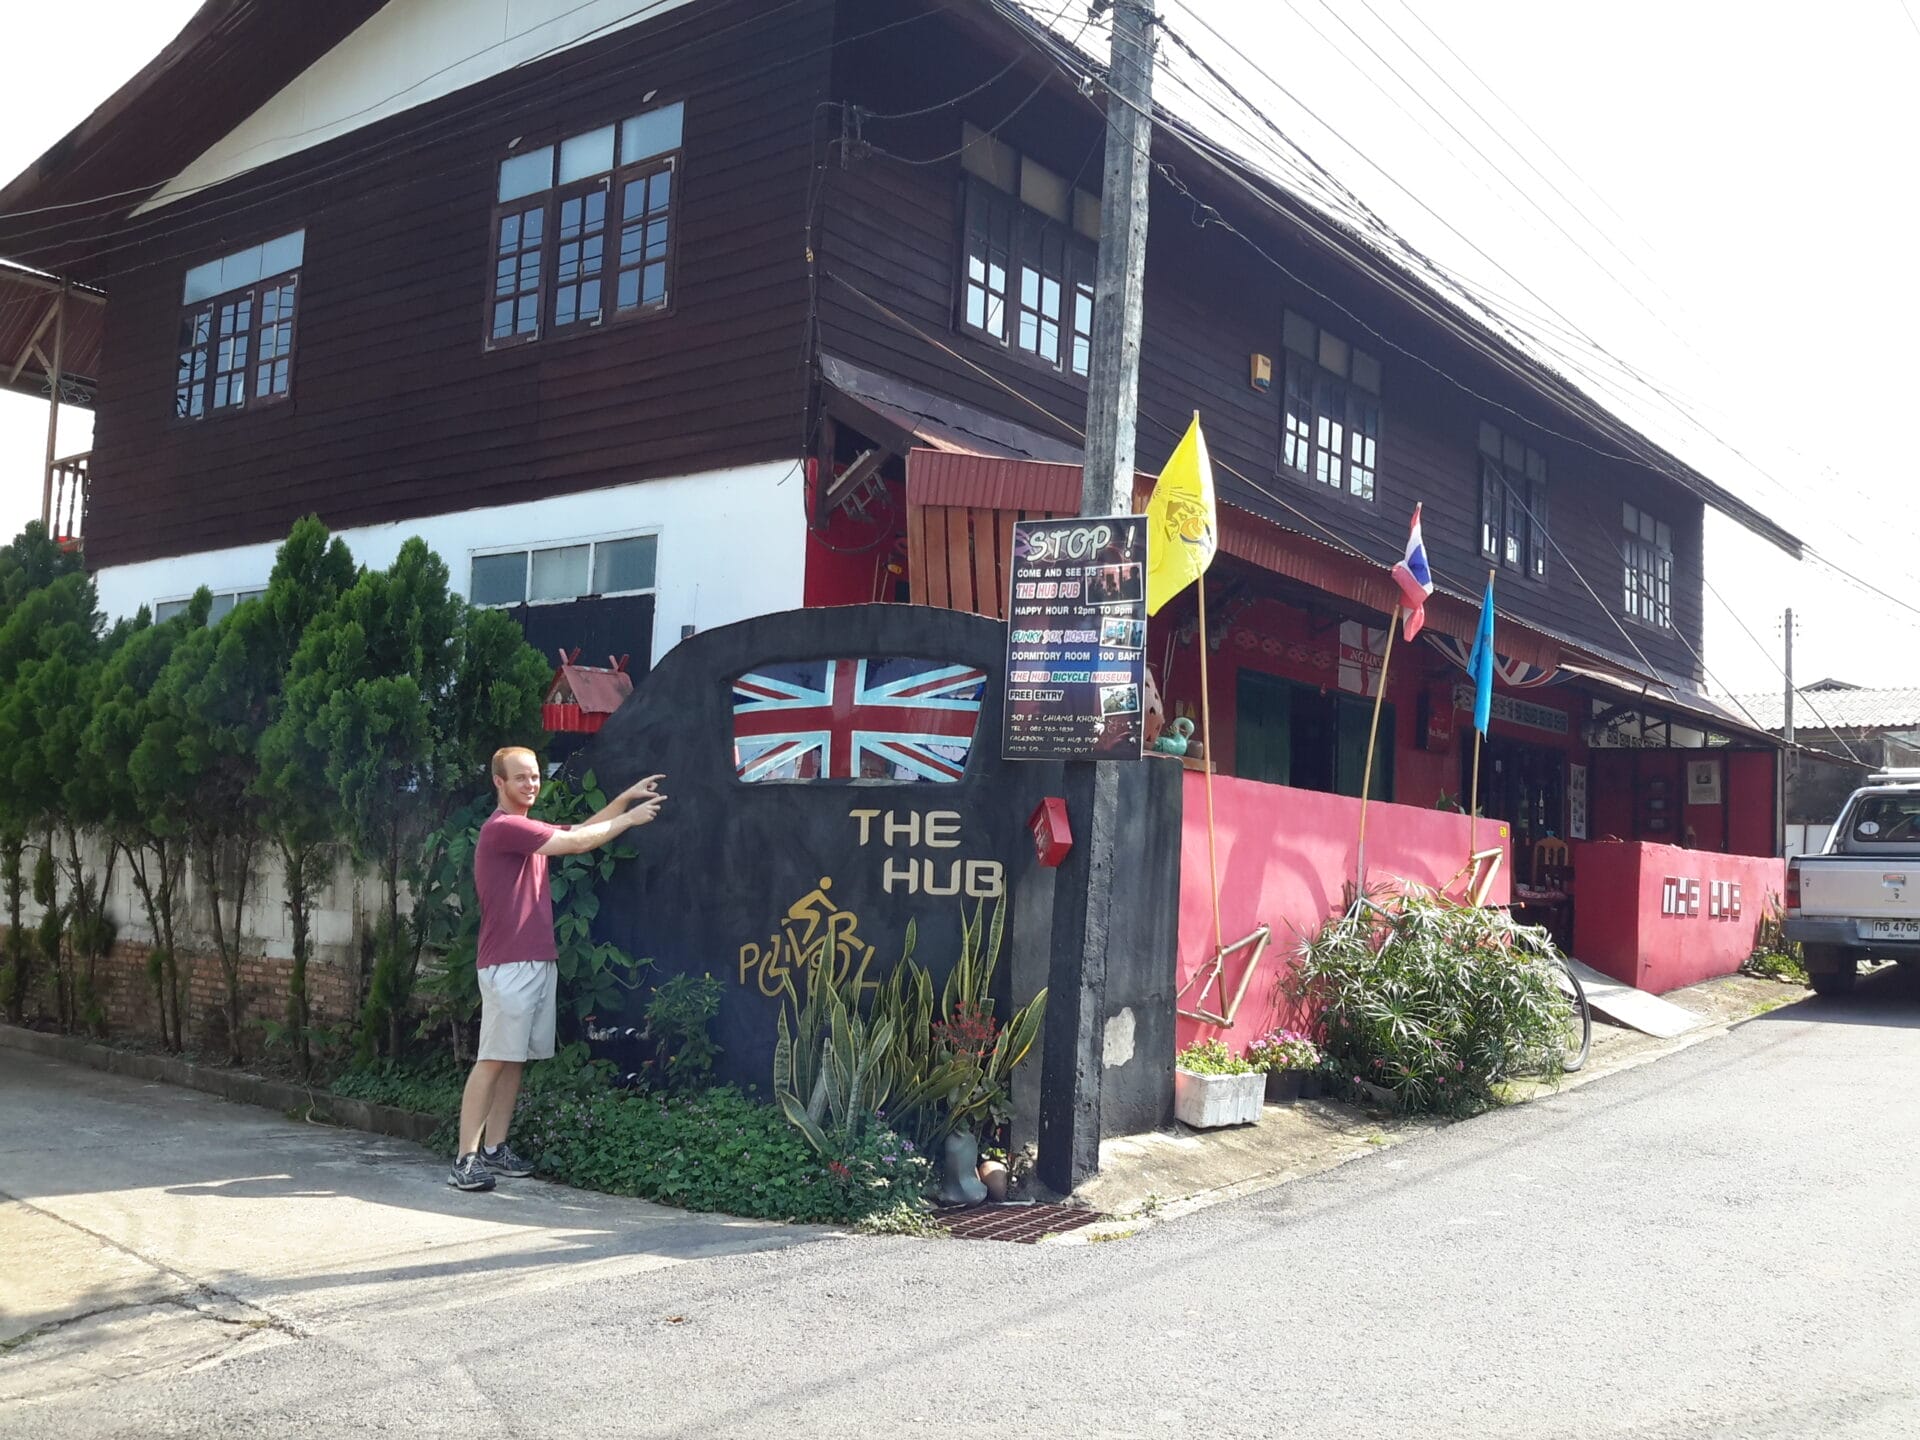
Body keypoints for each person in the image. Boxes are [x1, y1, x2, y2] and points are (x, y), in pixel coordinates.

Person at [447, 747, 666, 1192]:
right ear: (499, 783)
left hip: (534, 961)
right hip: (507, 965)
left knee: (514, 1062)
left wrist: (622, 799)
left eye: (534, 777)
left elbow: (581, 831)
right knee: (492, 1060)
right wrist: (628, 820)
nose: (531, 784)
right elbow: (580, 843)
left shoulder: (527, 829)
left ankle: (495, 1149)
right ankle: (465, 1159)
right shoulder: (504, 828)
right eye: (520, 778)